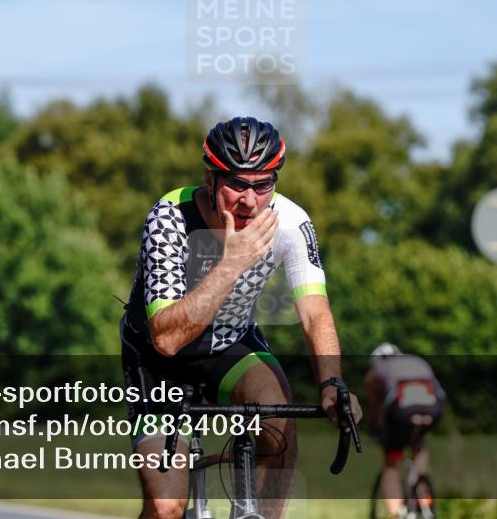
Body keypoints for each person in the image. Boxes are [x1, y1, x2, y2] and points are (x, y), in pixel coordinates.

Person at [120, 116, 362, 519]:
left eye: (262, 184)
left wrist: (332, 382)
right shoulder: (169, 219)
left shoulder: (291, 222)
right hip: (159, 361)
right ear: (211, 180)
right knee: (166, 506)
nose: (249, 200)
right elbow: (166, 339)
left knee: (275, 415)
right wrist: (231, 263)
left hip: (230, 343)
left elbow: (314, 311)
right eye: (237, 183)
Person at [364, 343, 446, 519]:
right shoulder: (418, 361)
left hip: (402, 410)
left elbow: (374, 408)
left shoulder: (377, 370)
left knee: (391, 462)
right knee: (420, 445)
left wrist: (376, 430)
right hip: (434, 407)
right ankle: (423, 496)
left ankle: (397, 513)